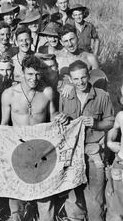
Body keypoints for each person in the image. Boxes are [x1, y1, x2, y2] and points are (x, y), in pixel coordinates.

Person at [1, 55, 67, 221]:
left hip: (41, 150)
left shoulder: (46, 92)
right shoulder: (9, 94)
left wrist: (62, 117)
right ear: (22, 72)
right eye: (29, 74)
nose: (34, 78)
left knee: (45, 195)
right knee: (17, 197)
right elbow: (4, 125)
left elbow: (53, 119)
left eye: (37, 74)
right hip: (18, 150)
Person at [59, 60, 114, 221]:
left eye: (83, 78)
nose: (80, 82)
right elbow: (60, 118)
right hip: (72, 151)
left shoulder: (102, 96)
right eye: (75, 79)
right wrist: (62, 118)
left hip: (93, 152)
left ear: (88, 76)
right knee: (73, 197)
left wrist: (96, 123)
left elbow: (110, 121)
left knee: (95, 197)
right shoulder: (66, 95)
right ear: (70, 79)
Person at [106, 88, 123, 221]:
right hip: (121, 165)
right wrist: (110, 142)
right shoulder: (121, 116)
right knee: (116, 212)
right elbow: (114, 128)